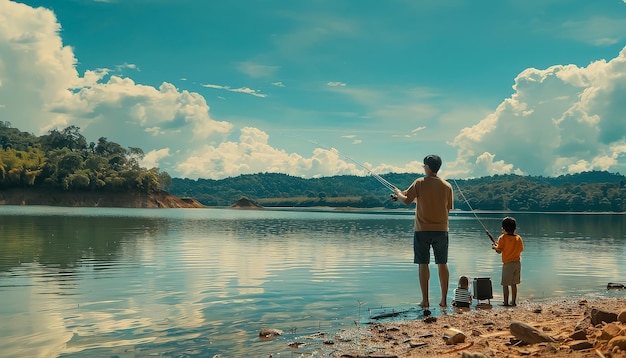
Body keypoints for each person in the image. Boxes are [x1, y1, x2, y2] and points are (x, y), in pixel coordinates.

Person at [393, 154, 453, 308]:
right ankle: (444, 301)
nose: (423, 168)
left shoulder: (419, 182)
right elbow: (448, 208)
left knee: (423, 264)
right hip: (442, 231)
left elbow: (406, 200)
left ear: (427, 167)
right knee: (442, 263)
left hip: (422, 231)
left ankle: (425, 301)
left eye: (423, 166)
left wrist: (398, 193)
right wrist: (402, 196)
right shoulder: (447, 186)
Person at [492, 216, 524, 307]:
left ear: (504, 229)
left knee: (505, 284)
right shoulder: (518, 238)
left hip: (508, 264)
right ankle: (513, 302)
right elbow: (521, 249)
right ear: (515, 228)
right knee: (514, 284)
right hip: (517, 263)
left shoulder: (502, 238)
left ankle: (505, 302)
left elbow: (499, 251)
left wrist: (494, 247)